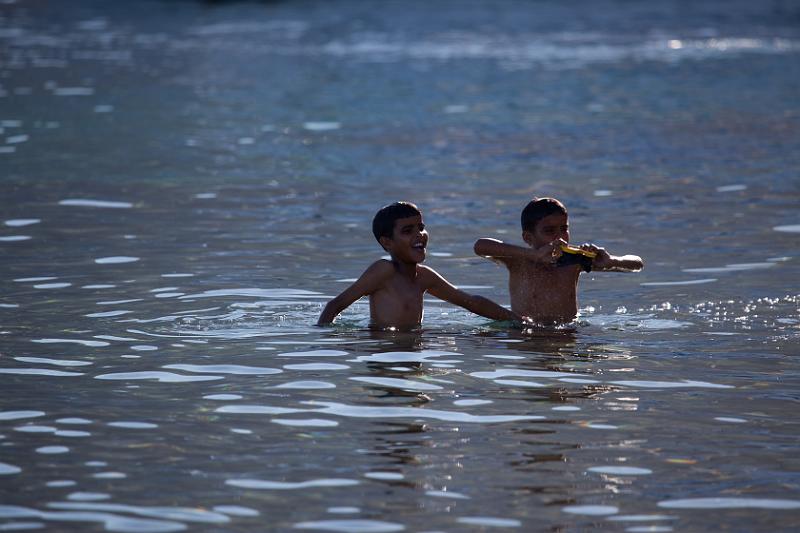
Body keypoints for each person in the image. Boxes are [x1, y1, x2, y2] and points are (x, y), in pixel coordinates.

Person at [317, 201, 521, 329]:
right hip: (382, 349)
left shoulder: (424, 276)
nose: (419, 235)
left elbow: (470, 301)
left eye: (421, 227)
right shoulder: (383, 271)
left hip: (412, 344)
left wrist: (515, 320)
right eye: (408, 231)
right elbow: (335, 305)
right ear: (387, 242)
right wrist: (325, 340)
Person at [474, 197, 643, 325]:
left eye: (564, 229)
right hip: (525, 331)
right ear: (528, 238)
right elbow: (480, 246)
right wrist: (534, 255)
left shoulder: (575, 260)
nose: (560, 237)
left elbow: (637, 263)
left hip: (568, 330)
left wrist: (613, 261)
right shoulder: (519, 261)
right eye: (549, 231)